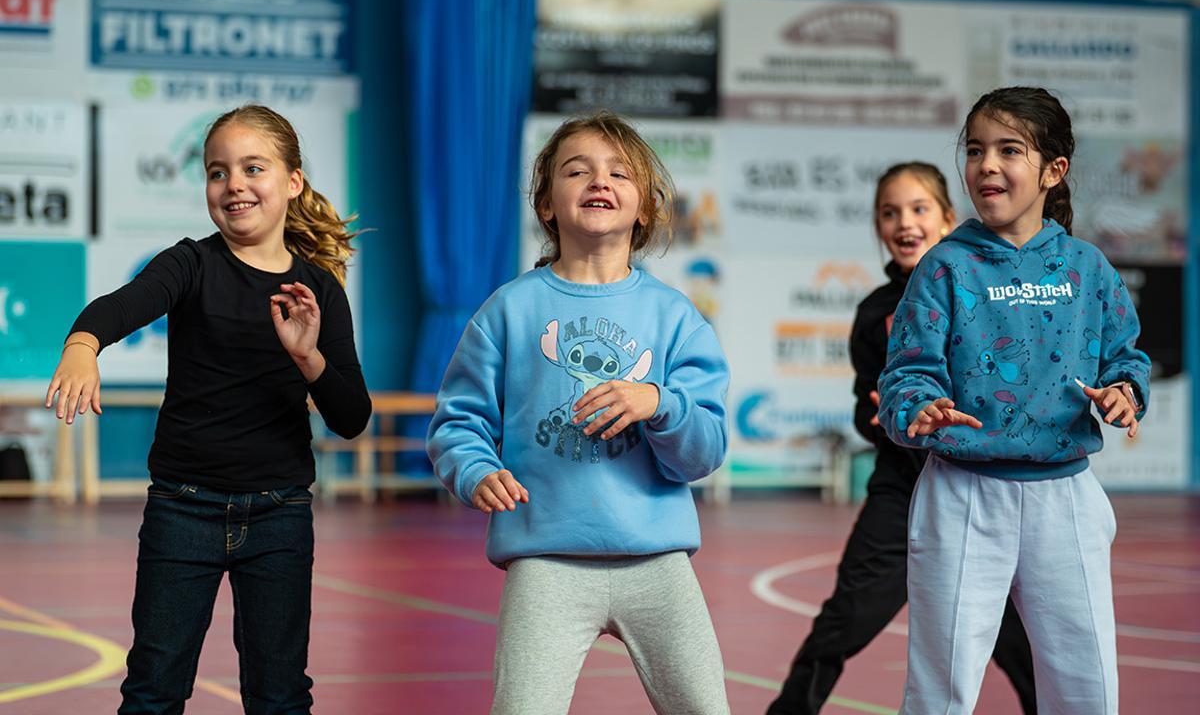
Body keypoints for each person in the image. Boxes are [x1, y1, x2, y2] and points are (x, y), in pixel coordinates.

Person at [44, 104, 371, 714]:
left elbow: (351, 416)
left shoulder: (317, 289)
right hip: (182, 511)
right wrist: (83, 347)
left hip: (279, 516)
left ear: (292, 181)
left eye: (254, 167)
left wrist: (308, 358)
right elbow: (119, 306)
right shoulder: (190, 263)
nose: (234, 184)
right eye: (218, 172)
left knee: (279, 694)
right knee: (154, 687)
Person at [426, 112, 731, 715]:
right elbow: (457, 424)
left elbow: (706, 450)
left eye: (619, 172)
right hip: (545, 562)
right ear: (546, 204)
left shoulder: (676, 318)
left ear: (643, 207)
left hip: (658, 564)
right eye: (577, 170)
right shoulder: (507, 311)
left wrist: (660, 404)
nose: (600, 180)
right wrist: (475, 471)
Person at [878, 87, 1150, 714]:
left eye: (1009, 150)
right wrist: (918, 406)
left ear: (1054, 171)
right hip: (963, 493)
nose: (987, 165)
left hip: (1068, 500)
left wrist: (1124, 393)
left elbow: (1127, 359)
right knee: (941, 685)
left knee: (1089, 684)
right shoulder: (944, 266)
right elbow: (907, 371)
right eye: (975, 151)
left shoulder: (1088, 267)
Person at [767, 163, 1037, 714]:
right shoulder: (873, 313)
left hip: (986, 493)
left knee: (1021, 639)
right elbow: (864, 405)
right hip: (902, 491)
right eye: (889, 213)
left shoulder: (991, 292)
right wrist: (880, 417)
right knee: (844, 619)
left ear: (945, 218)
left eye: (918, 209)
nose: (904, 222)